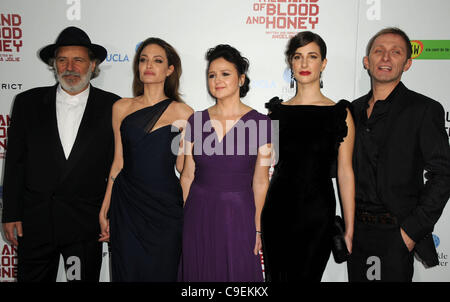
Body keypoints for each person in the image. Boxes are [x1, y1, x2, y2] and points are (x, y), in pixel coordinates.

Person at [1, 26, 121, 282]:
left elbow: (118, 166)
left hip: (85, 225)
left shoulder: (113, 106)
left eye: (78, 60)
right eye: (63, 60)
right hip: (36, 224)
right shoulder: (27, 103)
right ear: (54, 65)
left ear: (93, 64)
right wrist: (11, 213)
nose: (70, 67)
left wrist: (113, 216)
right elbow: (15, 162)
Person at [348, 27, 450, 282]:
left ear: (407, 63)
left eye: (395, 52)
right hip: (356, 233)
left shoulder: (424, 109)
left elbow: (444, 173)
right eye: (379, 51)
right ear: (366, 61)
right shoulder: (352, 110)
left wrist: (410, 232)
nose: (385, 58)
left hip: (395, 233)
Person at [261, 31, 355, 282]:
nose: (304, 64)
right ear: (290, 63)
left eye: (312, 56)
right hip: (277, 212)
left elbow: (345, 172)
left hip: (317, 215)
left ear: (323, 63)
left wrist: (350, 227)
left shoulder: (340, 113)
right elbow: (263, 171)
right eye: (298, 57)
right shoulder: (277, 113)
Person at [98, 37, 193, 282]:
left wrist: (187, 213)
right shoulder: (121, 107)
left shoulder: (184, 113)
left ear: (170, 69)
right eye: (143, 60)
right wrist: (105, 207)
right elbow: (118, 162)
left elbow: (185, 171)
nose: (148, 65)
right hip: (127, 207)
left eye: (157, 60)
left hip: (166, 209)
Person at [178, 44, 272, 282]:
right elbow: (187, 175)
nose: (217, 80)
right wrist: (186, 219)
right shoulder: (195, 120)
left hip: (239, 214)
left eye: (225, 74)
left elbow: (261, 181)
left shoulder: (263, 123)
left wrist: (258, 226)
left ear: (241, 79)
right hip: (198, 212)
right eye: (212, 75)